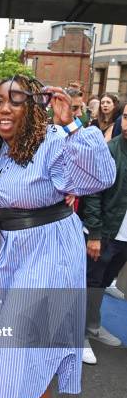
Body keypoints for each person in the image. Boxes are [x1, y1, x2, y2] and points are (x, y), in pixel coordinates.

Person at [0, 74, 115, 398]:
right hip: (15, 252)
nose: (4, 109)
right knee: (13, 339)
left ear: (32, 107)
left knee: (26, 342)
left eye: (15, 101)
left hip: (49, 252)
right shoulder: (2, 147)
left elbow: (100, 177)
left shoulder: (52, 139)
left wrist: (73, 124)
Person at [82, 107, 127, 364]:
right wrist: (95, 233)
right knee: (90, 283)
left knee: (106, 282)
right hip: (107, 233)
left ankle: (94, 326)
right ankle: (80, 335)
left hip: (125, 239)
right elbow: (93, 194)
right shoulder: (110, 151)